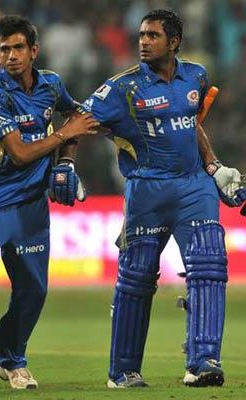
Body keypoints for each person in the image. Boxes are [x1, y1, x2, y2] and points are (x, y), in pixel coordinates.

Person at [80, 9, 246, 388]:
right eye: (141, 35)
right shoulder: (121, 88)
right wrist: (65, 164)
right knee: (137, 279)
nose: (143, 41)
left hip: (193, 186)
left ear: (174, 42)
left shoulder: (196, 76)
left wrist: (215, 166)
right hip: (147, 189)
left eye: (153, 35)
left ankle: (203, 362)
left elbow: (191, 125)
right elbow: (78, 122)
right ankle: (123, 371)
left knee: (210, 266)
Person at [0, 15, 99, 390]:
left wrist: (66, 161)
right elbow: (19, 154)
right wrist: (65, 134)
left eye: (17, 48)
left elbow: (77, 115)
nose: (11, 56)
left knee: (33, 292)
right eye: (3, 49)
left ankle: (12, 359)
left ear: (34, 50)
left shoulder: (51, 85)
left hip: (31, 207)